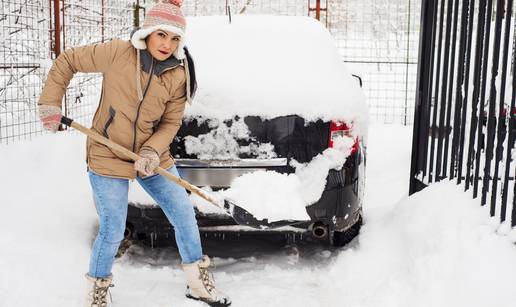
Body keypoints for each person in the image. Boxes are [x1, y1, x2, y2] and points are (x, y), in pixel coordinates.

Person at [37, 0, 231, 306]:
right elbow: (68, 60)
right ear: (148, 33)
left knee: (183, 214)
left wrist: (152, 152)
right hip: (107, 152)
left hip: (152, 157)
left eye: (175, 38)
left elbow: (170, 122)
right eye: (162, 35)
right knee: (113, 228)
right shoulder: (118, 53)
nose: (167, 44)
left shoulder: (180, 74)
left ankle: (197, 282)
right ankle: (97, 289)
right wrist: (50, 103)